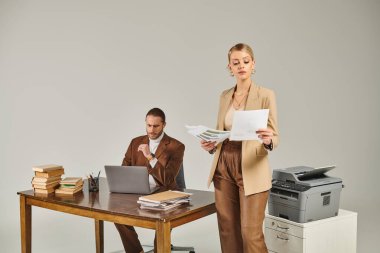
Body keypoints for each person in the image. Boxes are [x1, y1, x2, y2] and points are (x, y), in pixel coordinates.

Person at [201, 43, 279, 253]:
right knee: (227, 229)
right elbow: (220, 130)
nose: (241, 66)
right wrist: (211, 144)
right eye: (236, 63)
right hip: (223, 162)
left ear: (253, 64)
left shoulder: (265, 94)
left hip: (251, 164)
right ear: (230, 67)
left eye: (245, 61)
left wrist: (268, 139)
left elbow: (275, 136)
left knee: (250, 233)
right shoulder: (225, 96)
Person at [114, 107, 185, 253]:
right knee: (116, 214)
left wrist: (150, 157)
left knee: (161, 223)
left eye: (156, 126)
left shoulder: (176, 146)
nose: (151, 130)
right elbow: (124, 169)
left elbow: (168, 178)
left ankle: (160, 250)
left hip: (164, 192)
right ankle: (135, 251)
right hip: (139, 191)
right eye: (149, 125)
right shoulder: (135, 142)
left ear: (164, 125)